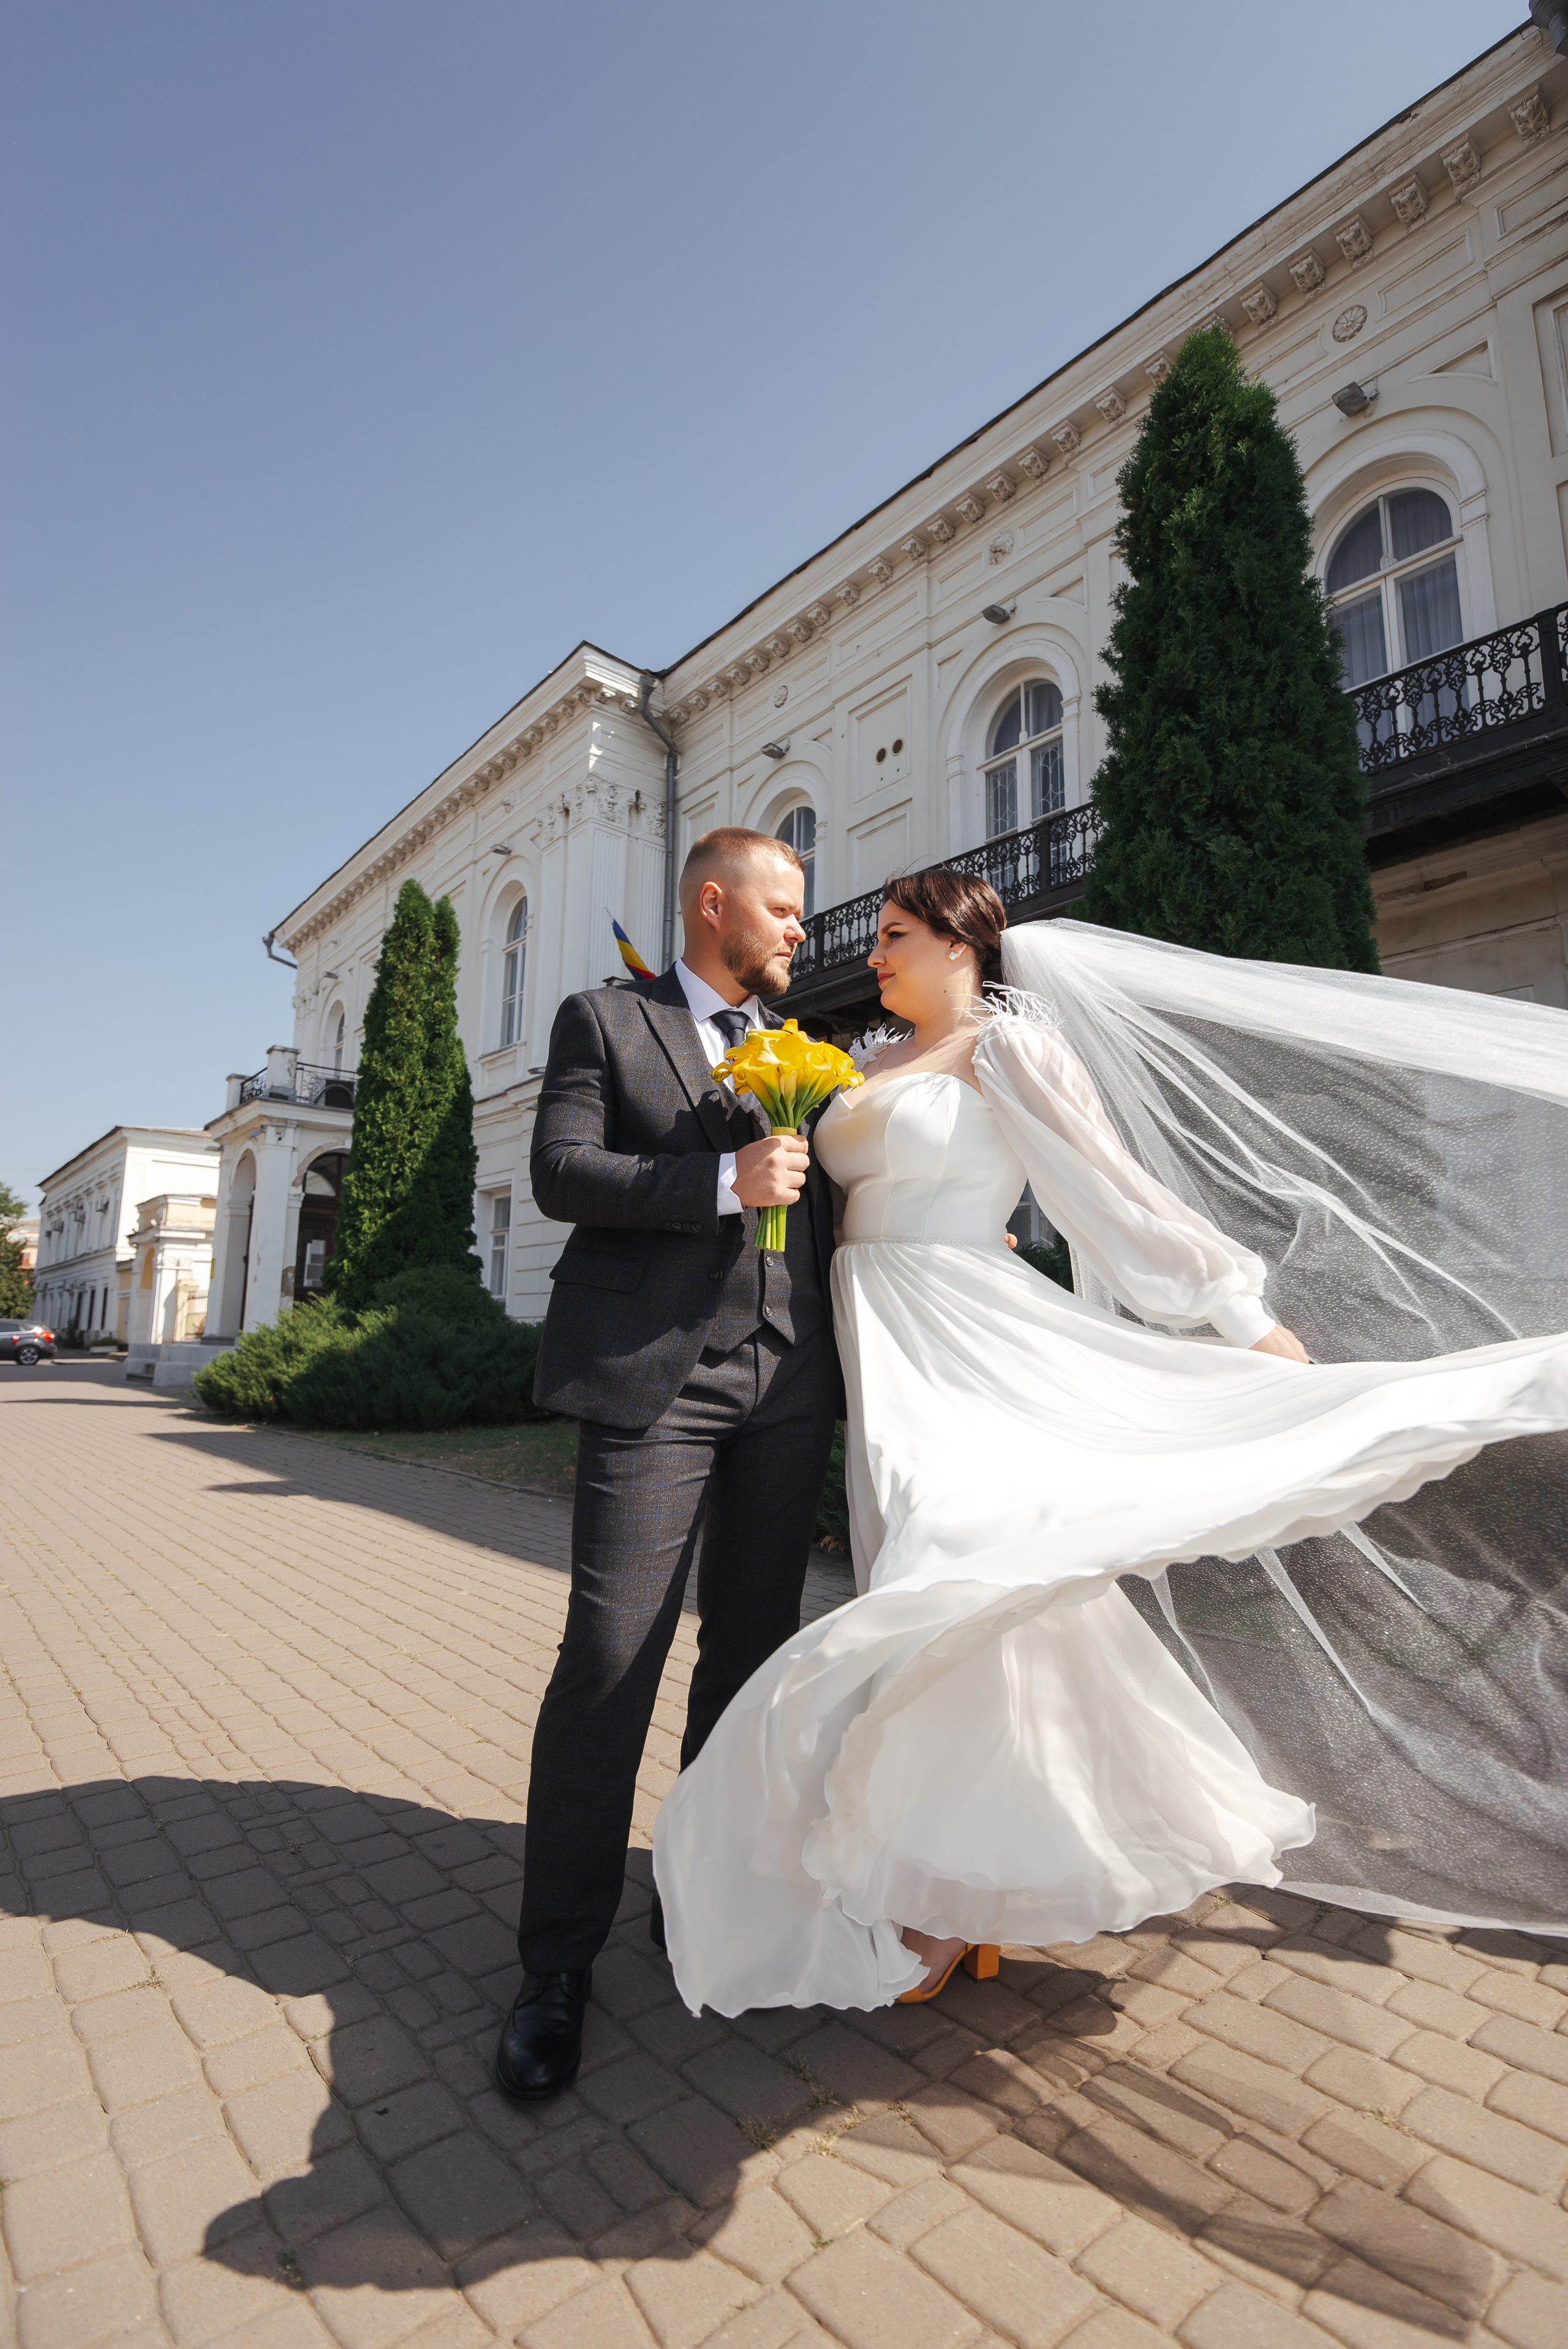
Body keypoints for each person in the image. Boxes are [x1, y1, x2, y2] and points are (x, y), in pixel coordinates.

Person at [653, 869, 1568, 2014]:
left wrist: (1247, 1317)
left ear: (959, 943)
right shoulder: (861, 1067)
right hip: (880, 1352)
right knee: (932, 1581)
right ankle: (976, 1867)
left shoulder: (1011, 1049)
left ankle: (941, 1895)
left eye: (895, 936)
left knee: (954, 1569)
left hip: (976, 1339)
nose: (872, 954)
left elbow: (1118, 1196)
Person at [494, 827, 842, 2100]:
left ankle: (701, 1899)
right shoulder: (605, 1018)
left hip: (790, 1381)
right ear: (714, 905)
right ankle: (554, 1965)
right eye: (785, 907)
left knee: (749, 1656)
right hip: (659, 1382)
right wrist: (716, 1180)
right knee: (609, 1654)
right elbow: (558, 1171)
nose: (802, 928)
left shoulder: (809, 1048)